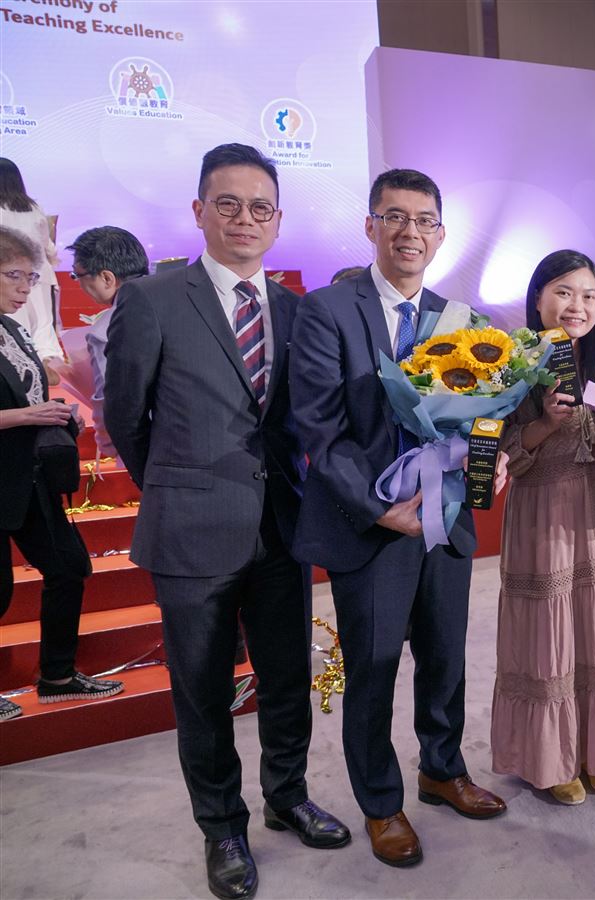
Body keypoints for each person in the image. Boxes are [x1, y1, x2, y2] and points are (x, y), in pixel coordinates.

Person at [105, 144, 349, 900]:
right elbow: (125, 418)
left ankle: (287, 797)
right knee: (203, 692)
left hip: (280, 526)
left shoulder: (296, 310)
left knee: (287, 677)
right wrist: (175, 489)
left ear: (278, 220)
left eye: (260, 207)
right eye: (229, 204)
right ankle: (221, 828)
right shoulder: (152, 299)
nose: (245, 218)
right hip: (190, 530)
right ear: (199, 211)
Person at [290, 168, 507, 868]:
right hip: (372, 527)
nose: (410, 231)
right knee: (375, 668)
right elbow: (320, 428)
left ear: (440, 235)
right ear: (371, 226)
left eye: (424, 220)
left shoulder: (462, 319)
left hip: (446, 520)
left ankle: (442, 769)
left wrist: (491, 460)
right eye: (395, 217)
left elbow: (482, 413)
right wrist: (381, 509)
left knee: (445, 657)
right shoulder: (328, 310)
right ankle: (381, 803)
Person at [490, 250, 595, 805]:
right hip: (543, 513)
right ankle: (551, 757)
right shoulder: (511, 361)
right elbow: (500, 451)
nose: (576, 305)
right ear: (538, 298)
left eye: (587, 295)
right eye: (563, 292)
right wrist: (542, 424)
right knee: (549, 631)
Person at [0, 226, 122, 723]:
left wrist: (56, 414)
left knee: (69, 567)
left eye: (30, 278)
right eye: (14, 276)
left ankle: (57, 676)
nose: (25, 288)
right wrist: (27, 415)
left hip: (29, 475)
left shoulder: (14, 330)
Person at [67, 226, 148, 460]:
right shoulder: (183, 302)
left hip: (150, 448)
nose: (78, 284)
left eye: (77, 275)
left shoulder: (108, 328)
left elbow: (110, 400)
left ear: (106, 278)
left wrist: (107, 442)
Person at [0, 159, 62, 372]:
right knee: (42, 321)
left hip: (9, 275)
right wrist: (52, 259)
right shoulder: (34, 208)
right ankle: (49, 363)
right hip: (38, 273)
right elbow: (46, 243)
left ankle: (20, 364)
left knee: (15, 318)